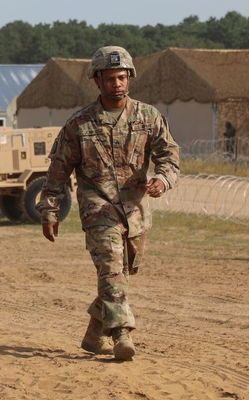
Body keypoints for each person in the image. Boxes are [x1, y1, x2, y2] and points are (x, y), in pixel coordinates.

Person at [37, 46, 179, 361]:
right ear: (98, 81)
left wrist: (163, 179)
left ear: (129, 78)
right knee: (111, 267)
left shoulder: (148, 117)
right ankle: (121, 334)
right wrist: (49, 212)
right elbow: (57, 172)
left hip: (135, 210)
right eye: (111, 78)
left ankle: (93, 333)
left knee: (121, 272)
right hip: (97, 207)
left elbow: (169, 156)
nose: (117, 84)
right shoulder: (79, 124)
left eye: (122, 77)